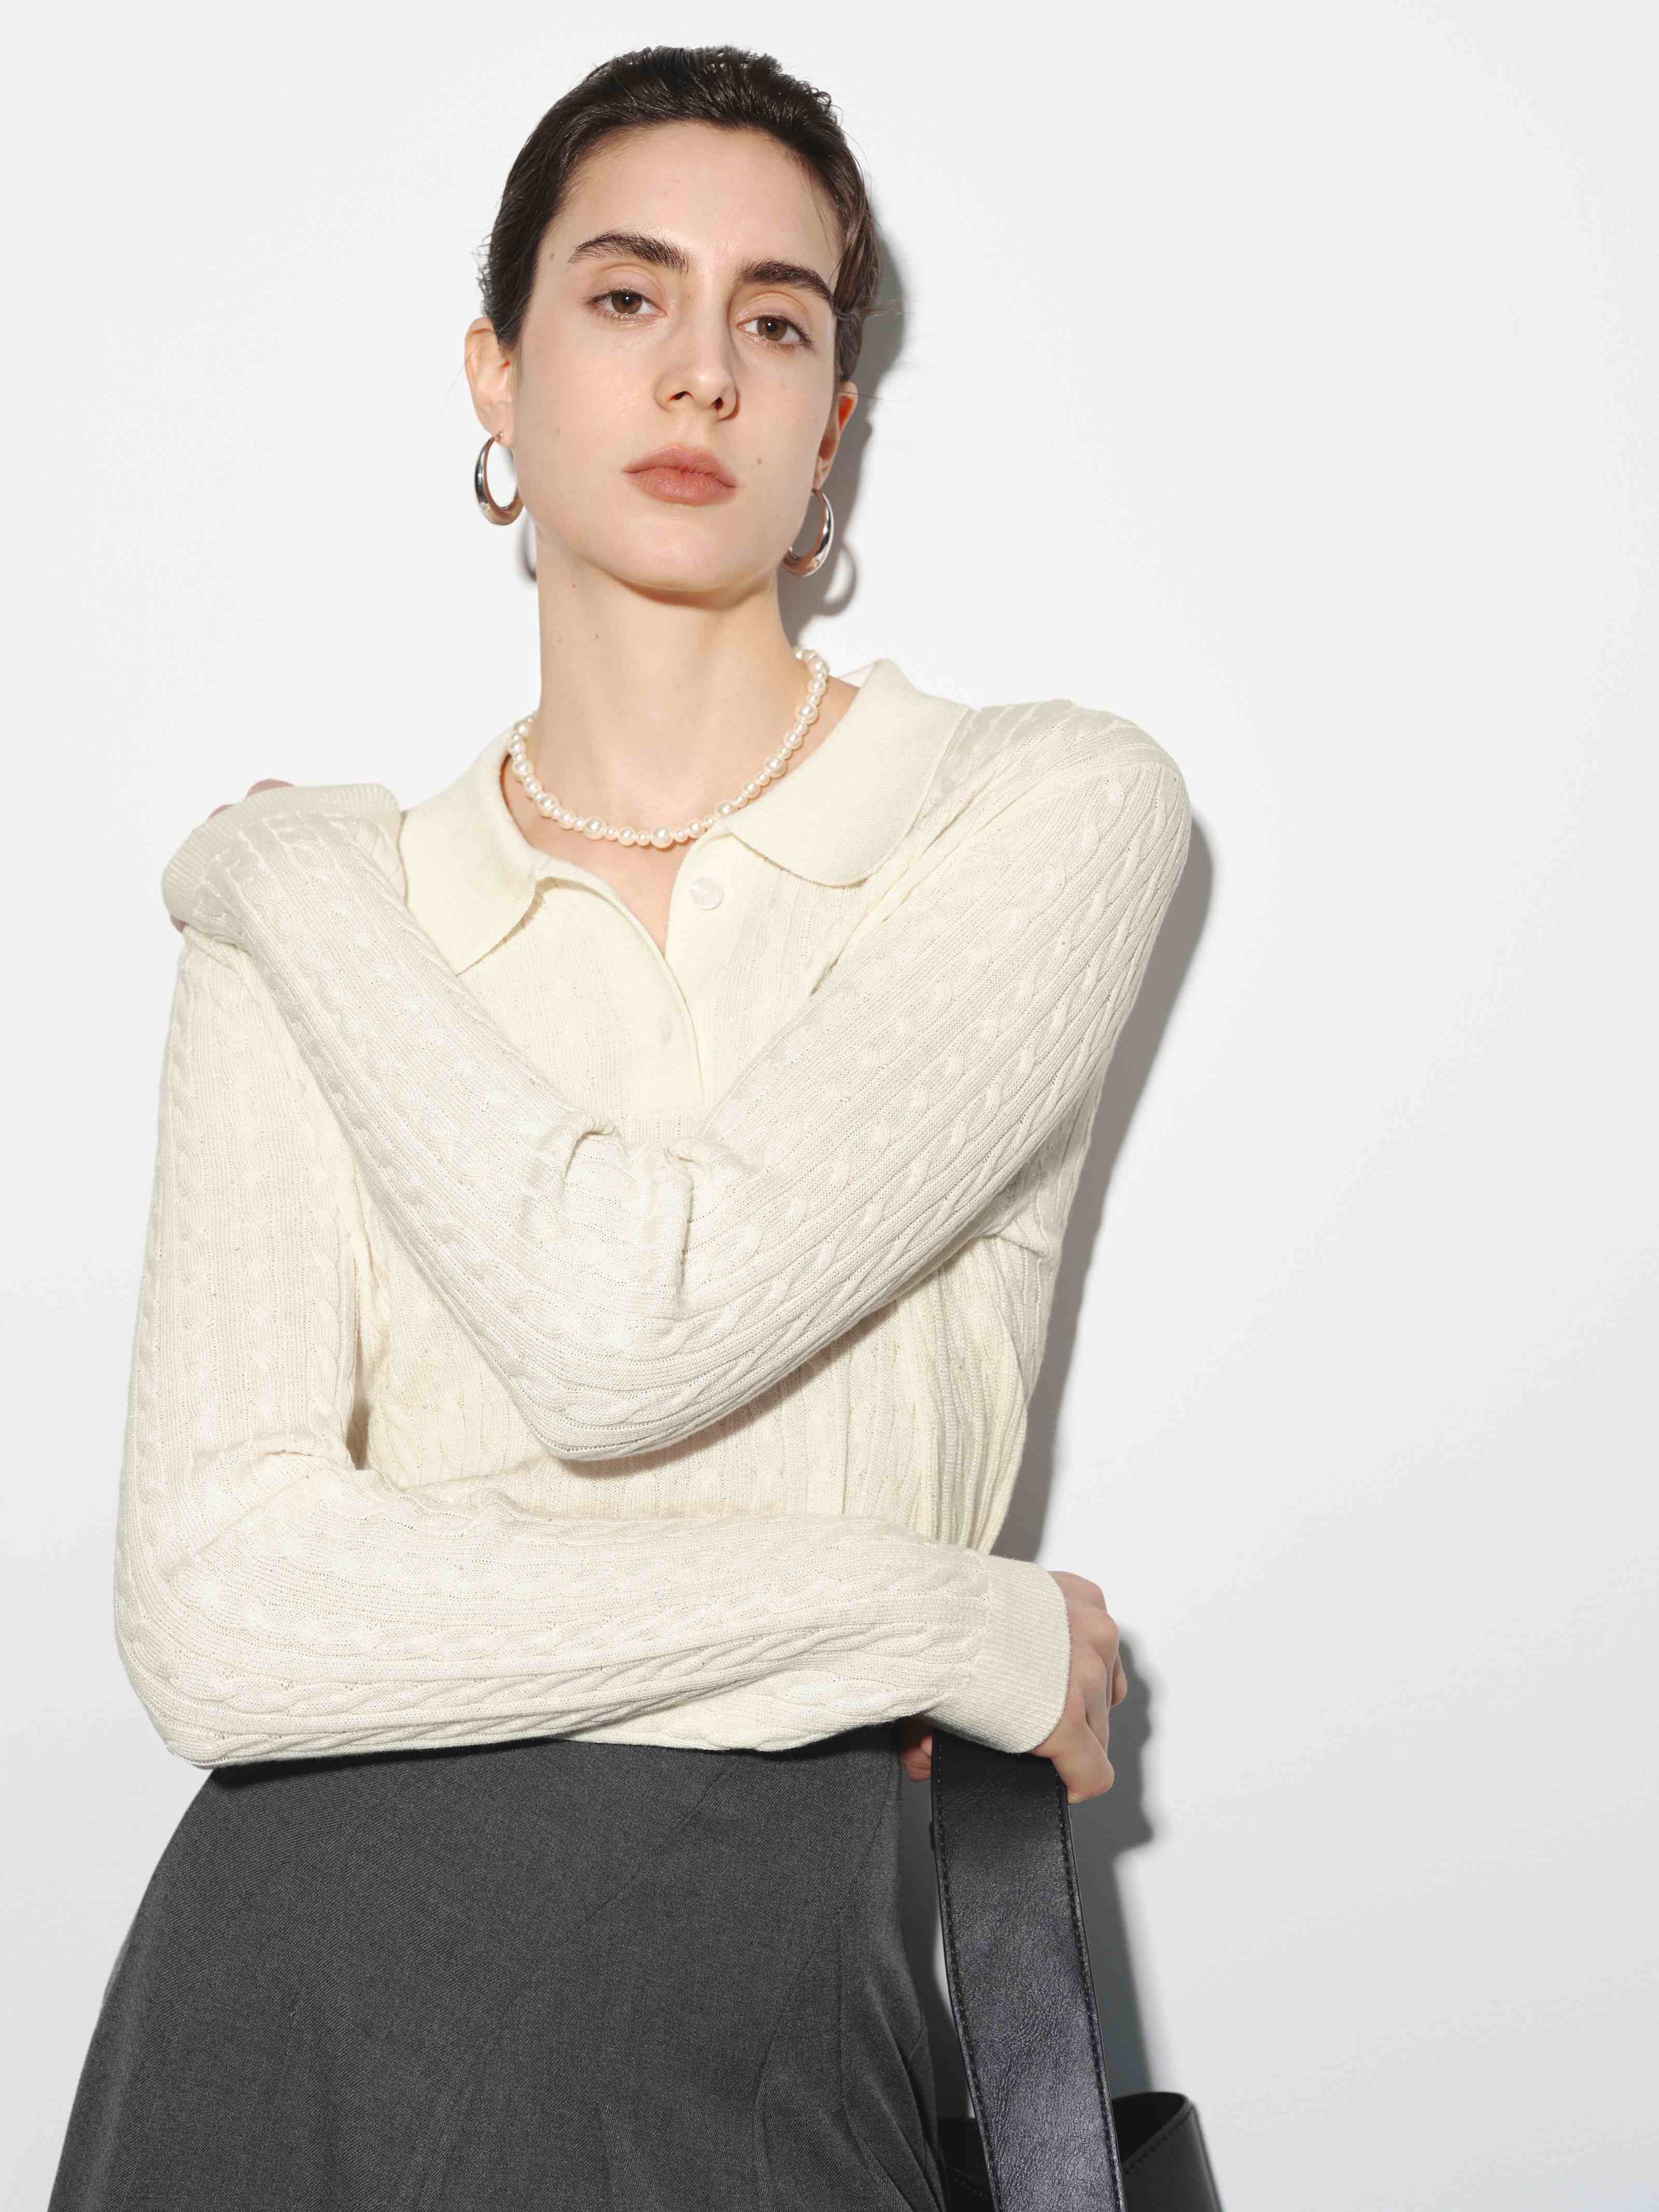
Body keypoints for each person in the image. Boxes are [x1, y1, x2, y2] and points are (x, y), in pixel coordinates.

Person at [48, 41, 1192, 2211]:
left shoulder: (1030, 813)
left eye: (778, 319)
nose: (701, 373)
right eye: (624, 295)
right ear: (496, 370)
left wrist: (282, 879)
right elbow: (212, 1615)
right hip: (283, 2012)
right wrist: (946, 1624)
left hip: (763, 2012)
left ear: (832, 422)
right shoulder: (337, 911)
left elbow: (624, 1328)